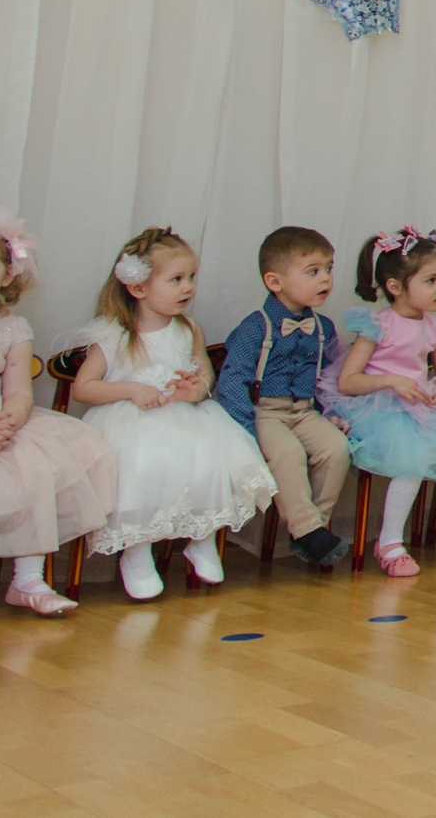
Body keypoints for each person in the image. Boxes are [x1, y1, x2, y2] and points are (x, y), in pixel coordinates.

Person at [67, 227, 276, 598]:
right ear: (138, 287)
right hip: (131, 421)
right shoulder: (115, 334)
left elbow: (204, 375)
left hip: (184, 415)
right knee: (142, 466)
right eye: (176, 279)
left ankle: (201, 537)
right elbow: (84, 388)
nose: (188, 288)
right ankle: (136, 552)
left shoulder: (188, 328)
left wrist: (196, 389)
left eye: (191, 278)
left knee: (209, 460)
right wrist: (131, 389)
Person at [0, 214, 117, 633]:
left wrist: (10, 421)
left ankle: (28, 580)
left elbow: (18, 391)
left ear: (6, 275)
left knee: (37, 471)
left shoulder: (13, 328)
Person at [325, 228, 436, 575]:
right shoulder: (377, 326)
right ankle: (389, 543)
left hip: (421, 408)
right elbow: (348, 381)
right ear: (395, 286)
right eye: (431, 280)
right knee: (413, 459)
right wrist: (391, 380)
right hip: (378, 408)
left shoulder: (435, 327)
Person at [213, 226, 354, 568]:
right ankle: (309, 531)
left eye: (329, 269)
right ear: (275, 282)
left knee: (336, 448)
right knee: (288, 453)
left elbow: (323, 378)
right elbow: (232, 381)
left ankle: (309, 532)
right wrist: (247, 431)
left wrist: (328, 412)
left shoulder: (324, 328)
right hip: (265, 412)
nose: (326, 279)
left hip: (305, 411)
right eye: (313, 271)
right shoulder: (256, 326)